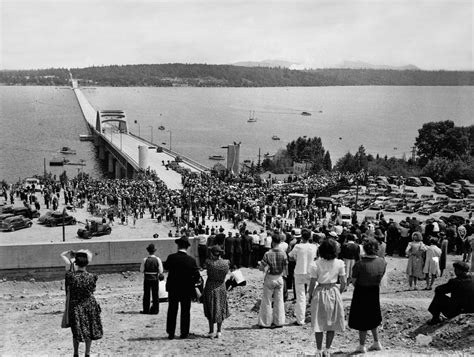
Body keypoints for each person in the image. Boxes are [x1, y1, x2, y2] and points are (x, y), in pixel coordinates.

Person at [308, 239, 346, 357]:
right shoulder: (339, 263)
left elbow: (312, 282)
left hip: (320, 291)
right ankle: (328, 349)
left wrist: (310, 295)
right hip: (333, 290)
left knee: (319, 322)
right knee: (332, 322)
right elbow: (343, 282)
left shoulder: (316, 264)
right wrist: (339, 292)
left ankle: (319, 349)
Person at [348, 239, 387, 353]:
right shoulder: (382, 262)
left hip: (361, 290)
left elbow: (354, 281)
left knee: (362, 319)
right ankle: (376, 342)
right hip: (374, 290)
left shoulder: (359, 264)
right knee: (373, 316)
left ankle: (362, 345)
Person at [64, 249, 103, 357]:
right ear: (87, 263)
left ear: (76, 263)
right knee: (89, 329)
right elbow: (92, 290)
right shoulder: (92, 277)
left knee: (75, 330)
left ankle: (76, 353)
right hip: (89, 304)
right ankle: (87, 353)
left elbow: (67, 291)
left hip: (75, 305)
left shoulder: (70, 276)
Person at [164, 236, 201, 339]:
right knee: (185, 311)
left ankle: (171, 332)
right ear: (187, 247)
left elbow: (166, 267)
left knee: (172, 310)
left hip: (173, 288)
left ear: (178, 245)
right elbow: (197, 275)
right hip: (186, 289)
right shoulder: (191, 260)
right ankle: (184, 333)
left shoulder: (171, 257)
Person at [257, 233, 288, 328]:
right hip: (279, 277)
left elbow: (262, 268)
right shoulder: (283, 253)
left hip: (270, 278)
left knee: (267, 300)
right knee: (279, 300)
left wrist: (261, 266)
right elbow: (286, 269)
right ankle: (279, 321)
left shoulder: (267, 254)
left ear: (272, 242)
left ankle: (265, 322)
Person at [288, 228, 317, 325]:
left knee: (300, 296)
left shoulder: (298, 246)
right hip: (311, 272)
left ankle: (300, 320)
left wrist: (297, 257)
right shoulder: (314, 247)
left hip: (299, 271)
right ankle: (316, 316)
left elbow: (290, 256)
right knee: (315, 293)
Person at [203, 245, 230, 338]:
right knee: (220, 308)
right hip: (221, 286)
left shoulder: (209, 263)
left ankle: (211, 331)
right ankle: (219, 331)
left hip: (210, 286)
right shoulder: (226, 263)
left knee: (210, 308)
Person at [140, 244, 164, 314]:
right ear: (154, 251)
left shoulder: (145, 259)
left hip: (147, 278)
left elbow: (141, 270)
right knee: (155, 295)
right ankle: (156, 310)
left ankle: (146, 310)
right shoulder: (157, 259)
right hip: (155, 278)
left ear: (148, 251)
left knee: (146, 294)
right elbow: (161, 271)